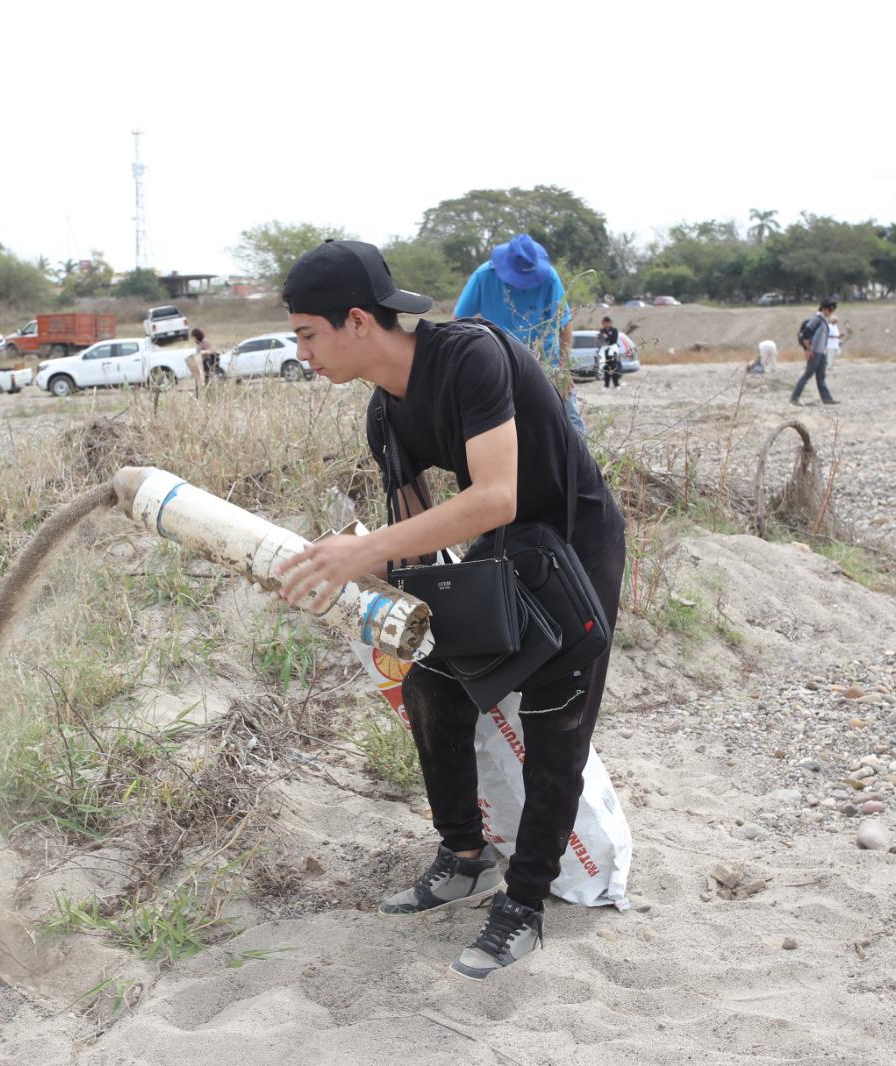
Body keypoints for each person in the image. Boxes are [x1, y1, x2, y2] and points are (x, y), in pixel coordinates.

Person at [273, 239, 626, 981]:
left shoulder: (470, 356)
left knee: (556, 723)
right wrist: (351, 581)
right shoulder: (384, 417)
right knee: (430, 678)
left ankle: (525, 905)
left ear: (359, 322)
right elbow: (414, 552)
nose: (302, 351)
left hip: (572, 538)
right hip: (501, 547)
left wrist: (361, 556)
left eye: (308, 332)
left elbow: (495, 492)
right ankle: (466, 857)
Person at [453, 233, 583, 436]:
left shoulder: (549, 278)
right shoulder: (484, 277)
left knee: (569, 418)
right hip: (502, 363)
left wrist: (563, 369)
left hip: (546, 363)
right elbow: (457, 322)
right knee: (506, 425)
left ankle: (584, 462)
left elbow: (564, 324)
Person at [790, 298, 839, 406]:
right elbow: (805, 335)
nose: (831, 312)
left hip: (821, 352)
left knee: (821, 377)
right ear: (824, 309)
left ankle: (827, 398)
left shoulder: (823, 320)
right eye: (830, 309)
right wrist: (808, 350)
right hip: (815, 352)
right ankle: (794, 397)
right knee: (807, 375)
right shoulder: (817, 319)